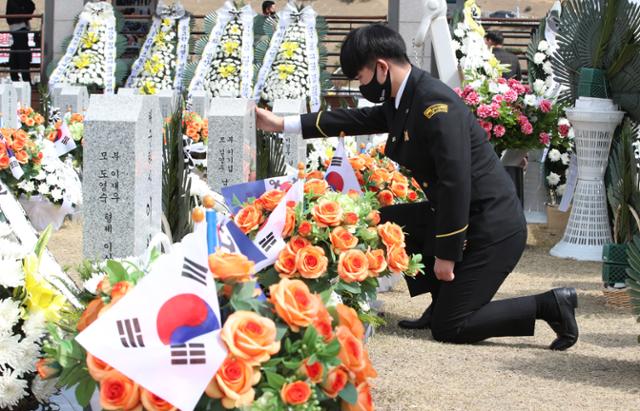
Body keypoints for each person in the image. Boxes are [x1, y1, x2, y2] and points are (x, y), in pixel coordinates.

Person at [256, 24, 579, 350]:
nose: (361, 85)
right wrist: (282, 124)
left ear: (382, 67)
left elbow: (456, 183)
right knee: (387, 224)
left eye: (361, 77)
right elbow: (358, 120)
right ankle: (440, 300)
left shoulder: (435, 103)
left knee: (451, 326)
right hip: (463, 213)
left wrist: (447, 255)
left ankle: (550, 305)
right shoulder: (406, 97)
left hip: (492, 227)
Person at [6, 0, 35, 82]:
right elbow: (29, 6)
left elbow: (31, 5)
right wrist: (25, 14)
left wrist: (24, 13)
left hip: (17, 28)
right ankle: (25, 80)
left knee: (16, 53)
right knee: (22, 54)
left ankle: (15, 78)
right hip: (19, 28)